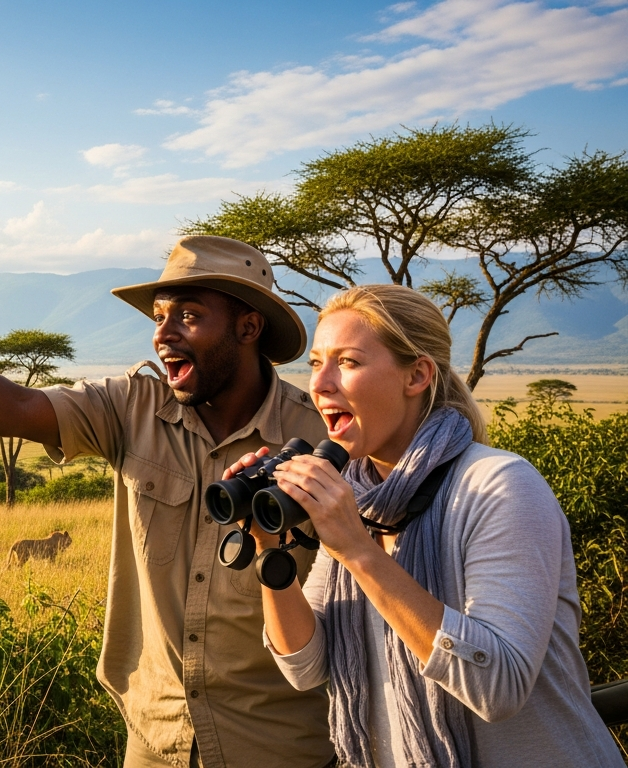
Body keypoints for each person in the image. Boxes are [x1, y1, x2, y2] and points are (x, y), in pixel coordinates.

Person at [0, 236, 336, 768]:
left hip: (278, 746)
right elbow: (17, 405)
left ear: (248, 328)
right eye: (159, 316)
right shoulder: (130, 407)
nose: (163, 334)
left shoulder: (320, 438)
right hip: (156, 741)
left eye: (188, 316)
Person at [239, 284, 622, 767]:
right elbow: (306, 665)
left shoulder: (499, 486)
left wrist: (357, 550)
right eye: (316, 363)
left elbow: (498, 688)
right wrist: (266, 543)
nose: (321, 384)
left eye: (348, 362)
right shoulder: (360, 497)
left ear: (417, 375)